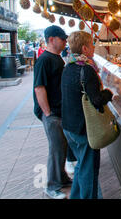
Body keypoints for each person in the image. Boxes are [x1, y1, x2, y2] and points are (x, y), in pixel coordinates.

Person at [61, 31, 113, 199]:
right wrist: (109, 94)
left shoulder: (68, 66)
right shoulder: (87, 70)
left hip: (69, 127)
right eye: (92, 45)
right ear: (84, 48)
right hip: (84, 129)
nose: (93, 48)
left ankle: (76, 196)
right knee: (89, 172)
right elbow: (97, 100)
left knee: (81, 166)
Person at [33, 25, 72, 199]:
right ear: (51, 39)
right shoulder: (44, 60)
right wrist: (47, 113)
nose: (65, 42)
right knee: (56, 148)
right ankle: (51, 186)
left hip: (59, 110)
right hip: (52, 113)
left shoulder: (56, 58)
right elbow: (39, 88)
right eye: (62, 39)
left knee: (62, 146)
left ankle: (61, 178)